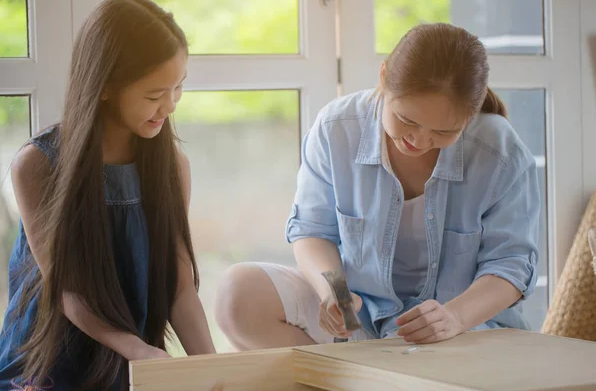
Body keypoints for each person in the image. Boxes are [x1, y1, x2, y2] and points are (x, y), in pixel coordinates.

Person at [215, 22, 540, 350]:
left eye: (443, 132)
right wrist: (335, 295)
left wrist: (453, 318)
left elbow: (511, 265)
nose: (419, 140)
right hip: (360, 316)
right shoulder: (336, 129)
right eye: (407, 120)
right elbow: (313, 232)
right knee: (239, 294)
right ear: (383, 78)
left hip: (461, 330)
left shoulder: (499, 152)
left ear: (469, 116)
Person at [0, 0, 216, 390]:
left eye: (178, 88)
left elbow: (179, 287)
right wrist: (136, 349)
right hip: (45, 365)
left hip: (133, 365)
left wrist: (214, 371)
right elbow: (69, 291)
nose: (169, 107)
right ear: (105, 86)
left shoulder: (172, 168)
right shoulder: (36, 165)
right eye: (153, 95)